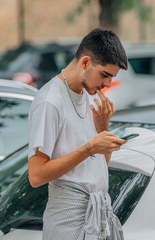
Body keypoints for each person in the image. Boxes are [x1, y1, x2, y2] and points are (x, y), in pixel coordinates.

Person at [28, 28, 128, 240]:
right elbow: (36, 176)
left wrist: (102, 129)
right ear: (85, 63)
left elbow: (97, 171)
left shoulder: (91, 97)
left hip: (95, 219)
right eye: (105, 74)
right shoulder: (50, 101)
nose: (108, 84)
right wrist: (90, 148)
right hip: (67, 221)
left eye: (112, 77)